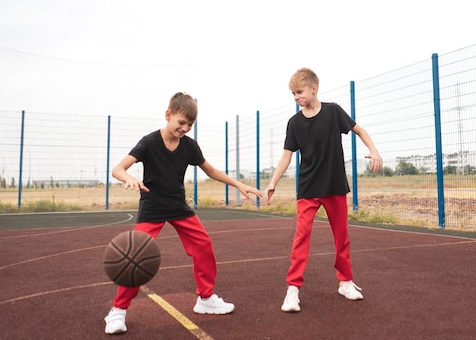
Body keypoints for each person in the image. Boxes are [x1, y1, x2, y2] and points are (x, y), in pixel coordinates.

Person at [104, 92, 263, 335]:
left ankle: (206, 299)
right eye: (181, 123)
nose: (185, 128)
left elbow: (210, 170)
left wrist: (239, 184)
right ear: (168, 116)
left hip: (178, 206)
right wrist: (129, 178)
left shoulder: (189, 147)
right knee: (134, 256)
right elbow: (118, 169)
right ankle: (118, 310)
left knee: (203, 245)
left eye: (190, 125)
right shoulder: (149, 142)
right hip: (152, 207)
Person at [264, 67, 383, 313]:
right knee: (301, 238)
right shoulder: (294, 123)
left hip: (334, 185)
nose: (296, 97)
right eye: (293, 94)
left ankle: (345, 281)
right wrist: (273, 182)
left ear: (313, 88)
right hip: (308, 188)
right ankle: (293, 290)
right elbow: (286, 156)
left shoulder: (333, 112)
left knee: (342, 237)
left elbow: (360, 130)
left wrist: (375, 150)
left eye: (299, 92)